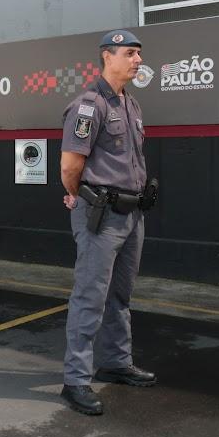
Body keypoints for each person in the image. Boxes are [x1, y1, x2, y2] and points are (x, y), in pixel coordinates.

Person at [59, 30, 157, 416]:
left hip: (132, 214)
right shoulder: (88, 105)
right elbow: (70, 166)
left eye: (139, 54)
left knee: (120, 296)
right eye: (130, 53)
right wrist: (78, 193)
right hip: (101, 215)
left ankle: (116, 362)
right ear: (107, 56)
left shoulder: (131, 104)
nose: (137, 60)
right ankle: (76, 380)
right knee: (89, 296)